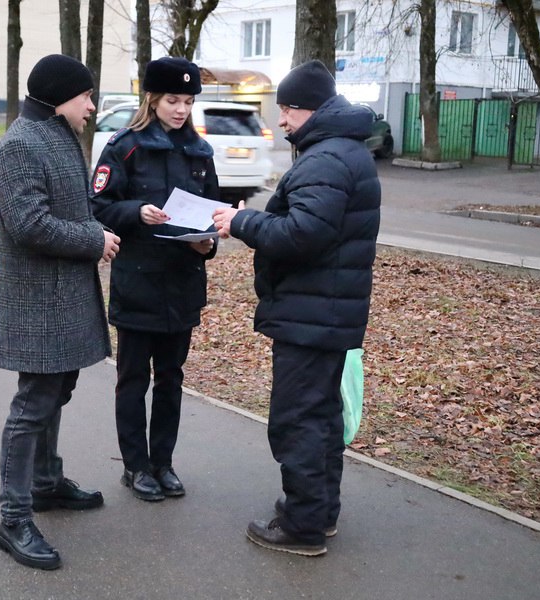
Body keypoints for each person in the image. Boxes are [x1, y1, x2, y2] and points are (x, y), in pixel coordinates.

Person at [212, 60, 381, 556]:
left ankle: (302, 527)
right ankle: (319, 512)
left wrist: (242, 223)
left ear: (308, 109)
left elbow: (302, 235)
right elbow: (314, 225)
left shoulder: (326, 158)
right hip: (326, 312)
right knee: (322, 417)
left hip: (312, 314)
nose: (281, 120)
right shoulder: (343, 151)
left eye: (286, 110)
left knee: (299, 421)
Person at [0, 53, 121, 570]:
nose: (92, 106)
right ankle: (13, 518)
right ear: (62, 95)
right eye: (87, 95)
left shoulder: (59, 135)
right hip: (38, 302)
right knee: (33, 405)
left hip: (64, 298)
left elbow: (74, 207)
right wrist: (95, 239)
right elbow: (31, 225)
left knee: (55, 392)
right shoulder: (20, 144)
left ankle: (44, 483)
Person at [90, 57, 220, 502]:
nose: (181, 109)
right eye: (172, 100)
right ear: (152, 99)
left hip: (182, 281)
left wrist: (208, 243)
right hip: (138, 280)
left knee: (171, 378)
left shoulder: (200, 153)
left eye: (187, 101)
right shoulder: (124, 146)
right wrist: (135, 212)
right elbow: (99, 206)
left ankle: (163, 464)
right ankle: (135, 467)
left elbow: (214, 214)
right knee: (132, 380)